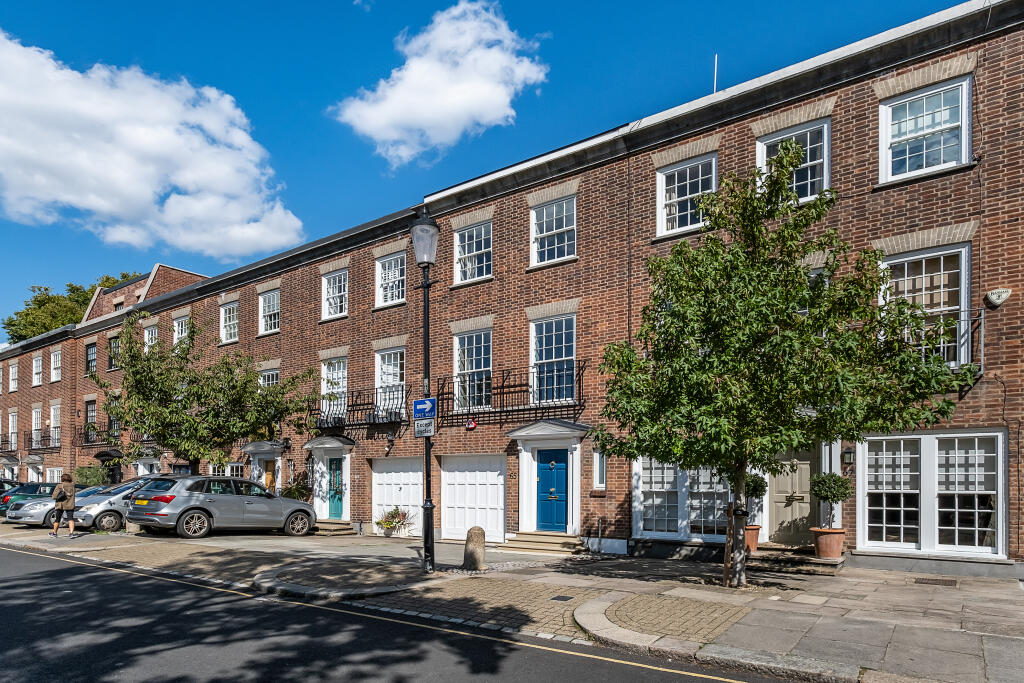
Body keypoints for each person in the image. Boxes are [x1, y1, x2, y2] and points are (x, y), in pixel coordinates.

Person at [50, 473, 77, 538]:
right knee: (71, 519)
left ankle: (54, 533)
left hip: (60, 505)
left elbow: (54, 496)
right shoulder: (73, 485)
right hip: (70, 504)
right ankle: (71, 533)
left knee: (57, 519)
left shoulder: (60, 486)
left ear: (62, 478)